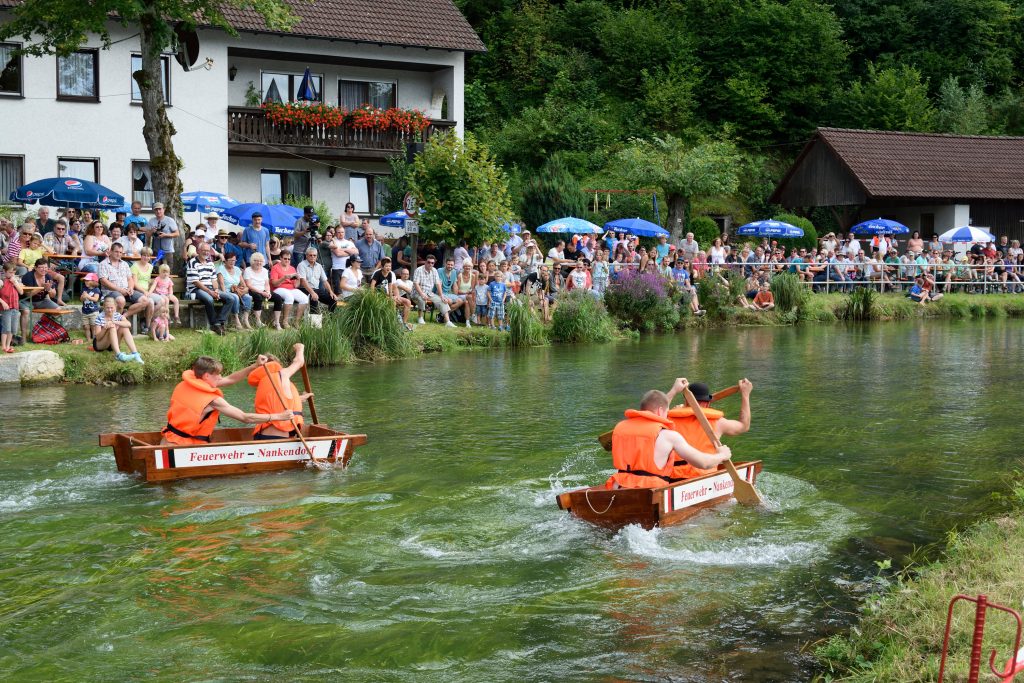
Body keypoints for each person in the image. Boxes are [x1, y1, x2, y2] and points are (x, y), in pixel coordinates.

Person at [605, 381, 732, 490]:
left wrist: (674, 390)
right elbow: (703, 463)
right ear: (661, 411)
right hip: (650, 491)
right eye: (667, 412)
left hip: (619, 486)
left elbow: (658, 404)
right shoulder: (668, 435)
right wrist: (722, 455)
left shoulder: (619, 428)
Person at [161, 355, 295, 446]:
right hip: (182, 447)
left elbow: (230, 379)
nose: (220, 377)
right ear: (207, 376)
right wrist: (278, 416)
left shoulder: (188, 383)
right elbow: (245, 417)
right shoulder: (213, 401)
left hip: (167, 440)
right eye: (218, 374)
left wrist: (254, 366)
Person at [247, 343, 314, 440]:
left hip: (262, 434)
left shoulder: (264, 381)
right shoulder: (281, 374)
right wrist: (300, 348)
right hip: (278, 436)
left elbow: (278, 402)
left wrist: (300, 398)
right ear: (277, 365)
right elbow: (299, 362)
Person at [185, 242, 238, 335]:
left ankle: (219, 322)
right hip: (196, 289)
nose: (206, 252)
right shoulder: (192, 262)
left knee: (231, 298)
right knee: (209, 299)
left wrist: (216, 290)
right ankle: (214, 324)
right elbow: (196, 282)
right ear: (198, 251)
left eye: (208, 251)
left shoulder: (210, 263)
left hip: (211, 288)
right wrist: (210, 292)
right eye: (204, 250)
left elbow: (214, 279)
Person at [99, 242, 150, 323]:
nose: (118, 254)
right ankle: (115, 323)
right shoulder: (103, 264)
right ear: (111, 251)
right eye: (116, 251)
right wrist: (120, 290)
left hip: (126, 290)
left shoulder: (125, 264)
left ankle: (122, 317)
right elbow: (104, 281)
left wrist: (130, 288)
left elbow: (130, 279)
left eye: (120, 252)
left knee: (145, 300)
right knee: (121, 301)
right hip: (111, 292)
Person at [92, 295, 143, 363]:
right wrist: (105, 328)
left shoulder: (117, 315)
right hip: (100, 344)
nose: (110, 310)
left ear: (115, 307)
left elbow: (129, 324)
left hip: (112, 345)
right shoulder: (99, 317)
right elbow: (98, 338)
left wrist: (114, 322)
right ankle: (119, 355)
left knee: (124, 328)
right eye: (107, 308)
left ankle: (135, 354)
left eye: (111, 308)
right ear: (103, 307)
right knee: (112, 327)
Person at [269, 248, 308, 328]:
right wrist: (284, 278)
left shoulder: (292, 268)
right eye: (285, 258)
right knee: (289, 296)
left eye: (289, 259)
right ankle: (285, 321)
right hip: (278, 288)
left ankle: (296, 322)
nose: (287, 260)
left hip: (291, 288)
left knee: (304, 298)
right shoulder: (275, 267)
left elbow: (296, 286)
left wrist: (298, 279)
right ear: (280, 258)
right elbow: (274, 283)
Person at [412, 255, 455, 327]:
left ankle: (448, 322)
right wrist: (422, 294)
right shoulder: (418, 270)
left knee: (442, 300)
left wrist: (441, 296)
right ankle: (420, 317)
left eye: (432, 263)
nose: (430, 264)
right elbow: (416, 284)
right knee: (421, 298)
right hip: (417, 292)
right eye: (428, 262)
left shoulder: (434, 270)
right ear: (425, 262)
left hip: (429, 293)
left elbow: (438, 283)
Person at [216, 252, 253, 329]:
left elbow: (243, 284)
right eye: (230, 260)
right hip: (225, 291)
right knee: (235, 297)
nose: (232, 262)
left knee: (248, 297)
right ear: (225, 260)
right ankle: (235, 319)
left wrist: (244, 289)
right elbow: (222, 284)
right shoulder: (220, 269)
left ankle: (245, 320)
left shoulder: (237, 269)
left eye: (234, 260)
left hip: (237, 290)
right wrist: (226, 294)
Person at [297, 247, 337, 313]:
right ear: (306, 256)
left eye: (314, 255)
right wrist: (312, 292)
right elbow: (303, 281)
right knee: (314, 299)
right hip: (305, 289)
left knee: (333, 300)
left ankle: (330, 319)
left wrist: (331, 292)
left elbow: (325, 281)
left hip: (316, 289)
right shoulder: (301, 265)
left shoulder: (319, 266)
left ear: (316, 256)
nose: (312, 257)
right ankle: (313, 321)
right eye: (310, 255)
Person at [243, 252, 277, 327]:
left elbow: (267, 284)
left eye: (260, 261)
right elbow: (248, 285)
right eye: (256, 260)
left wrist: (268, 291)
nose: (259, 262)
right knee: (258, 297)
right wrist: (262, 293)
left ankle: (276, 321)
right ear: (252, 261)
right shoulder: (248, 270)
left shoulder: (265, 270)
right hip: (252, 290)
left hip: (263, 290)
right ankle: (258, 321)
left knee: (278, 298)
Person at [146, 202, 180, 271]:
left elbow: (177, 234)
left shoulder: (170, 220)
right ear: (154, 211)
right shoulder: (151, 221)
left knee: (167, 271)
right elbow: (148, 235)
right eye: (156, 210)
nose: (158, 211)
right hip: (155, 250)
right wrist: (152, 231)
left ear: (163, 209)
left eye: (160, 209)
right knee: (155, 270)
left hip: (168, 251)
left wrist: (166, 235)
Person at [0, 262, 23, 353]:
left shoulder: (15, 280)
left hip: (15, 308)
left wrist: (15, 283)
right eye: (10, 272)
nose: (12, 274)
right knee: (6, 328)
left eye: (13, 272)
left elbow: (21, 292)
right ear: (4, 271)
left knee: (13, 329)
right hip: (6, 309)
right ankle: (4, 346)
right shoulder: (2, 281)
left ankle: (8, 345)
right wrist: (2, 302)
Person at [80, 272, 101, 343]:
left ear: (94, 281)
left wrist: (88, 296)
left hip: (93, 311)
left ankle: (95, 340)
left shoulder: (96, 290)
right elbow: (81, 299)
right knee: (86, 327)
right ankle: (88, 339)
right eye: (85, 280)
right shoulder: (84, 289)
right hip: (85, 311)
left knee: (93, 327)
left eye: (88, 280)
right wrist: (83, 297)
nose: (86, 282)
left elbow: (96, 299)